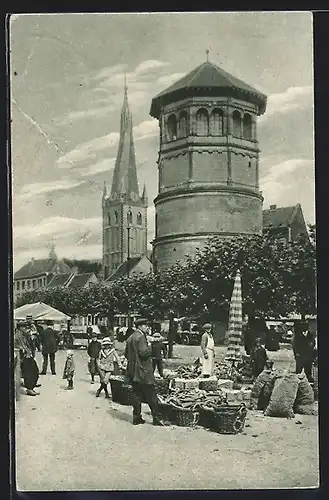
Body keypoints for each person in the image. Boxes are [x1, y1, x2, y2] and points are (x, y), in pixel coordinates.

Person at [125, 318, 164, 426]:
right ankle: (157, 419)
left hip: (133, 371)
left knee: (136, 394)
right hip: (144, 371)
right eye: (146, 326)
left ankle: (136, 417)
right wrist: (150, 347)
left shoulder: (130, 337)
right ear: (140, 326)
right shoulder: (141, 337)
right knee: (151, 394)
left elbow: (126, 354)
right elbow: (144, 353)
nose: (148, 327)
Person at [14, 321, 40, 396]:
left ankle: (30, 386)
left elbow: (33, 341)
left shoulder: (24, 335)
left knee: (34, 371)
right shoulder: (18, 335)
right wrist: (22, 349)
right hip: (24, 357)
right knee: (30, 373)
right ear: (20, 328)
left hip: (28, 356)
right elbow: (17, 345)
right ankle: (29, 388)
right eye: (24, 327)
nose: (26, 328)